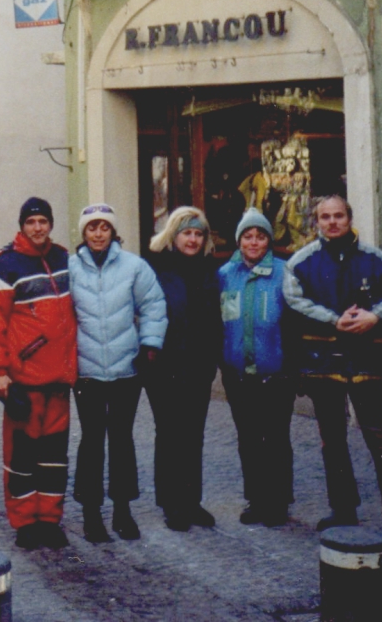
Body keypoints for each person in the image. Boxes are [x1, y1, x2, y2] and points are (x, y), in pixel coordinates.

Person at [283, 194, 382, 548]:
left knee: (379, 437)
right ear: (316, 222)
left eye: (338, 215)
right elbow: (294, 299)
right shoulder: (301, 262)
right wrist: (332, 320)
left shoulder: (376, 260)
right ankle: (343, 507)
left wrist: (376, 317)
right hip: (323, 362)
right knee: (332, 438)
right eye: (325, 217)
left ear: (349, 218)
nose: (332, 222)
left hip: (366, 361)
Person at [0, 197, 77, 550]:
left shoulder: (65, 259)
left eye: (43, 221)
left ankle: (50, 520)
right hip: (24, 381)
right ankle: (24, 522)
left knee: (53, 458)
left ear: (50, 224)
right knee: (21, 457)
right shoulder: (3, 267)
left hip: (59, 382)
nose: (38, 227)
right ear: (22, 225)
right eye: (31, 221)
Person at [68, 203, 167, 543]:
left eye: (104, 228)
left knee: (122, 439)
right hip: (86, 371)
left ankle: (123, 510)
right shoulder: (70, 269)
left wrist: (149, 343)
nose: (98, 234)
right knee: (92, 440)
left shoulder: (133, 266)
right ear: (83, 232)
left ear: (113, 232)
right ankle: (91, 513)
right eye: (92, 227)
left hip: (126, 369)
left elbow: (153, 304)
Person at [144, 205, 224, 530]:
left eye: (197, 233)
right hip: (163, 364)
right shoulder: (155, 268)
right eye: (186, 233)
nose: (192, 239)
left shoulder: (210, 269)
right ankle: (171, 502)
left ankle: (192, 501)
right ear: (173, 235)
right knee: (170, 432)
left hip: (198, 363)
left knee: (194, 433)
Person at [218, 208, 295, 527]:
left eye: (260, 236)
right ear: (239, 240)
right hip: (239, 374)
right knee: (248, 438)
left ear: (269, 240)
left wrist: (292, 366)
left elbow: (293, 323)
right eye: (247, 236)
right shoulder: (225, 273)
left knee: (276, 437)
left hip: (275, 373)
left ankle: (278, 500)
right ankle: (255, 498)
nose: (253, 242)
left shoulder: (285, 271)